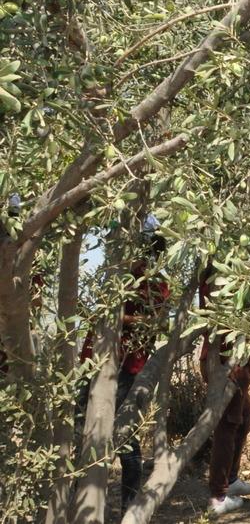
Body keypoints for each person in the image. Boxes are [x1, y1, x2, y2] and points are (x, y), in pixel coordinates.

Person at [77, 215, 171, 514]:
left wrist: (120, 319)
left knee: (124, 437)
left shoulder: (152, 282)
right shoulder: (120, 276)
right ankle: (82, 502)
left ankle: (128, 507)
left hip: (126, 366)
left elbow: (159, 321)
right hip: (98, 362)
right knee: (85, 429)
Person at [199, 261, 250, 516]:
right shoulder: (217, 280)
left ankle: (230, 480)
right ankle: (218, 496)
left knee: (246, 416)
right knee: (228, 425)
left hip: (235, 362)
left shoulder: (224, 276)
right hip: (226, 364)